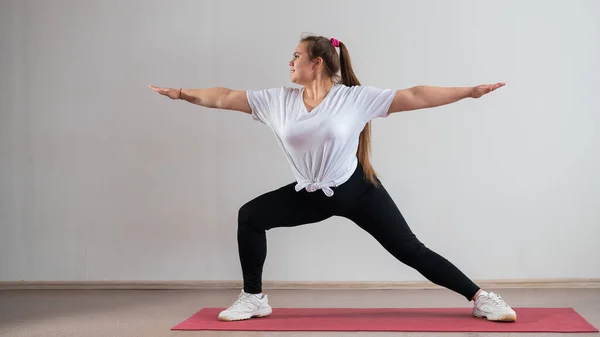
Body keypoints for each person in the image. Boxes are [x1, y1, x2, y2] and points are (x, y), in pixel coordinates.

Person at [149, 34, 516, 323]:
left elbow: (415, 95)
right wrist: (182, 94)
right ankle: (254, 298)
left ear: (317, 63)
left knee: (410, 250)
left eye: (296, 56)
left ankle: (481, 298)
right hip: (309, 193)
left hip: (357, 190)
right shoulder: (278, 101)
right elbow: (225, 96)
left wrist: (468, 91)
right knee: (251, 216)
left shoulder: (354, 99)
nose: (290, 61)